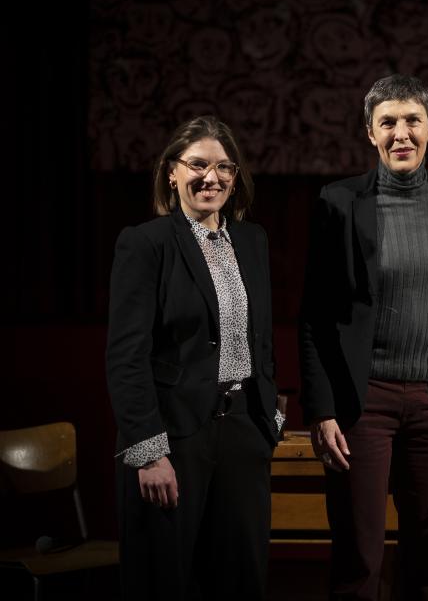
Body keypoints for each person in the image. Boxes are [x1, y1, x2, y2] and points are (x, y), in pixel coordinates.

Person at [299, 74, 428, 600]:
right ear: (369, 132)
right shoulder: (337, 202)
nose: (400, 133)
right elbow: (314, 314)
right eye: (388, 123)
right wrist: (321, 408)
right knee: (359, 559)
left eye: (411, 121)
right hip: (363, 404)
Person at [106, 116, 281, 599]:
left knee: (242, 578)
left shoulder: (253, 240)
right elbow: (126, 356)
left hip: (244, 432)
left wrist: (271, 415)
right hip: (174, 438)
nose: (213, 177)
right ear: (171, 172)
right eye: (198, 165)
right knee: (166, 579)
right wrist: (149, 451)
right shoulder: (146, 243)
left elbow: (261, 338)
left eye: (225, 167)